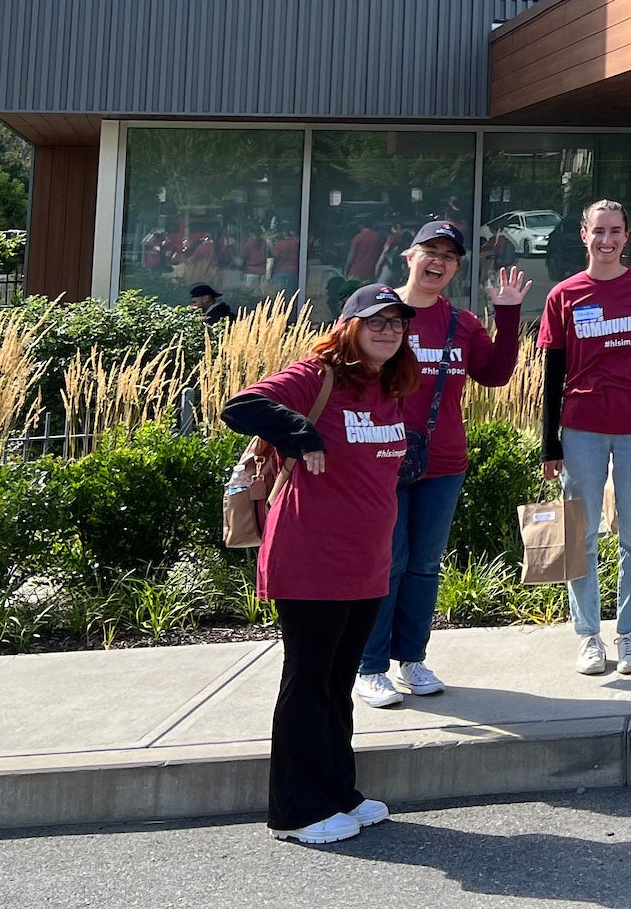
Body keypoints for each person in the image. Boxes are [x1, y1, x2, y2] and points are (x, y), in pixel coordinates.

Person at [220, 287, 418, 844]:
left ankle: (337, 793)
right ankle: (296, 811)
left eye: (396, 324)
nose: (387, 331)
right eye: (374, 321)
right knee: (308, 682)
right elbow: (241, 406)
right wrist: (299, 431)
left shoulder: (390, 385)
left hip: (367, 557)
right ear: (349, 326)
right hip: (312, 555)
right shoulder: (317, 374)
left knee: (335, 683)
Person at [350, 220, 527, 709]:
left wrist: (507, 316)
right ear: (409, 255)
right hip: (381, 459)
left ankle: (412, 658)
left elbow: (494, 374)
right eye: (430, 250)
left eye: (449, 256)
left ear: (455, 267)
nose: (438, 262)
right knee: (387, 563)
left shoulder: (462, 323)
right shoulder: (381, 314)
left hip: (443, 460)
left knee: (425, 565)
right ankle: (370, 667)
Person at [538, 200, 631, 677]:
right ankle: (589, 635)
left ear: (627, 236)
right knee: (579, 536)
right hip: (583, 428)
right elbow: (553, 375)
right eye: (598, 231)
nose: (606, 240)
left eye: (615, 231)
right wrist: (549, 445)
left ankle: (629, 633)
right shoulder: (564, 295)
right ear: (583, 234)